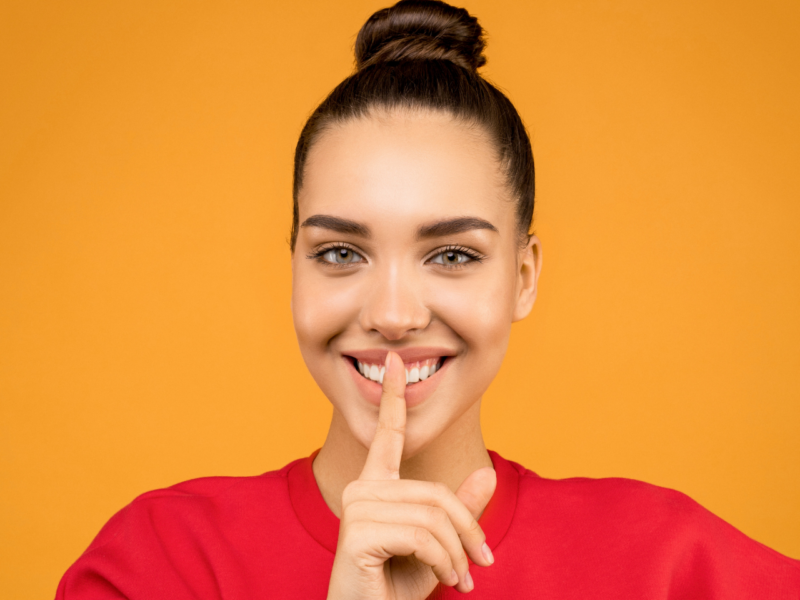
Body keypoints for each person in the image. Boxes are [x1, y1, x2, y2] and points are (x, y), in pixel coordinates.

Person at [56, 1, 799, 598]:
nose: (393, 312)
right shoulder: (158, 567)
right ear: (294, 269)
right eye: (341, 252)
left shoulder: (670, 568)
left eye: (451, 255)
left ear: (524, 276)